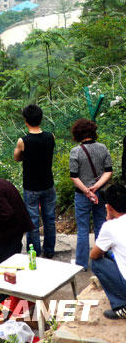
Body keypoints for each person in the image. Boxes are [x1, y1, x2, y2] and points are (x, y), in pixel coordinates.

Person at [69, 119, 113, 270]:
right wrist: (96, 187)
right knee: (101, 224)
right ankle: (103, 259)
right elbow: (108, 171)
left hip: (82, 195)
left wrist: (87, 191)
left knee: (82, 229)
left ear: (77, 134)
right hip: (100, 193)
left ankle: (81, 264)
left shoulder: (75, 151)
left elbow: (74, 176)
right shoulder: (102, 148)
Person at [14, 104, 56, 258]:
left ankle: (35, 253)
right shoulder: (50, 136)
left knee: (32, 222)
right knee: (49, 219)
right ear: (41, 118)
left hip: (31, 186)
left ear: (26, 120)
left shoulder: (23, 141)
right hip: (48, 184)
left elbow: (16, 157)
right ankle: (49, 250)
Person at [90, 184, 126, 319]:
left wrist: (108, 218)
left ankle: (121, 306)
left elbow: (94, 255)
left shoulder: (110, 227)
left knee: (96, 263)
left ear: (109, 207)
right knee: (112, 254)